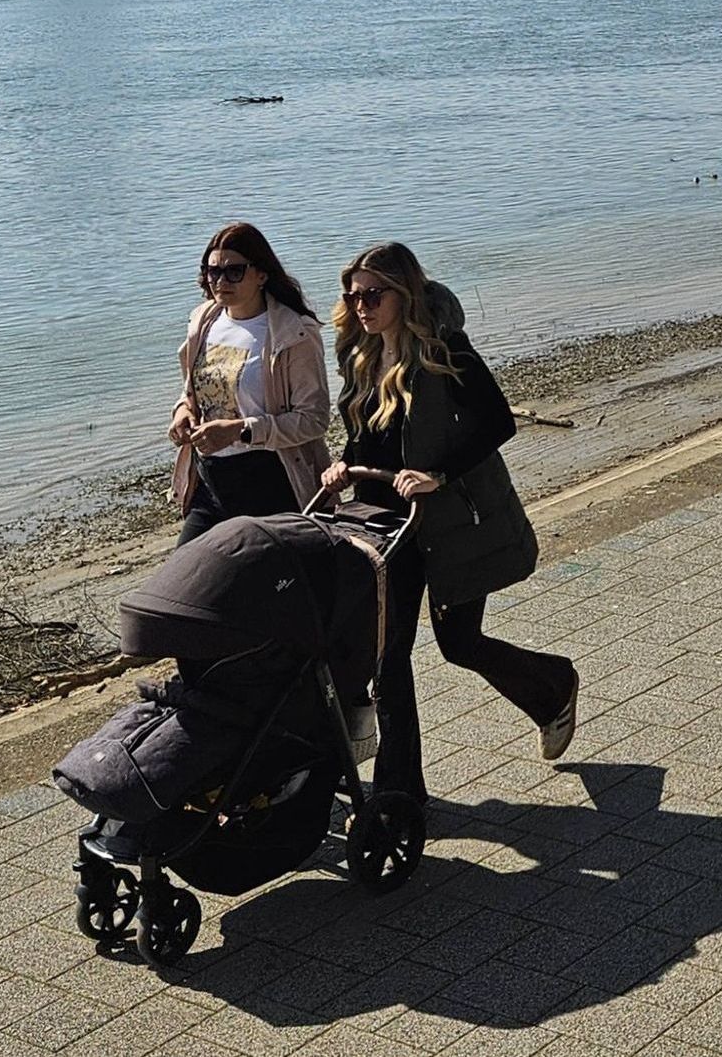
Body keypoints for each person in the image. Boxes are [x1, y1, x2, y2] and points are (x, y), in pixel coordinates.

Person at [321, 242, 579, 804]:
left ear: (404, 292)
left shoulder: (442, 348)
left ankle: (554, 685)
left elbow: (496, 421)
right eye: (353, 295)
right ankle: (401, 796)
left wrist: (436, 474)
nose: (361, 306)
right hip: (384, 527)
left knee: (459, 643)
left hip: (446, 521)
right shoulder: (361, 353)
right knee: (388, 658)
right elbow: (369, 436)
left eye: (373, 295)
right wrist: (343, 464)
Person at [169, 222, 331, 547]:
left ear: (261, 274)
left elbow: (314, 419)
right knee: (185, 571)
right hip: (210, 480)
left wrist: (240, 430)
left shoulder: (293, 332)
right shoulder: (204, 321)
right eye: (212, 271)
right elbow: (193, 392)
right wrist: (183, 412)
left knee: (271, 577)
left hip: (271, 479)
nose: (220, 281)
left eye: (234, 271)